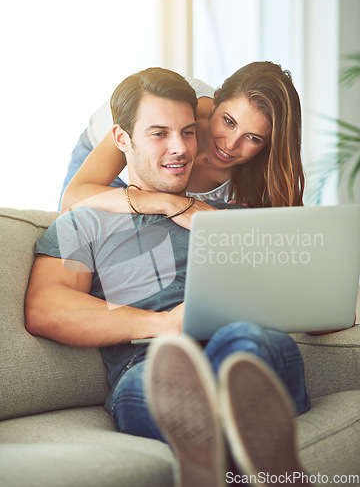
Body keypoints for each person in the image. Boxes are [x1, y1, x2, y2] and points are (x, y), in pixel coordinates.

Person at [26, 68, 310, 487]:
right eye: (159, 133)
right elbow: (47, 307)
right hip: (152, 361)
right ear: (123, 139)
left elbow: (311, 299)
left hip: (238, 340)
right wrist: (161, 324)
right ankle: (248, 458)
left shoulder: (239, 218)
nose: (180, 148)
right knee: (154, 384)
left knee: (251, 344)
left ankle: (215, 455)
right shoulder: (84, 223)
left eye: (188, 133)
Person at [59, 62, 305, 222]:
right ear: (216, 101)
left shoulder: (262, 173)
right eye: (229, 122)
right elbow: (74, 198)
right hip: (122, 161)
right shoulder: (175, 112)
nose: (230, 144)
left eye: (253, 137)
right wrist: (171, 203)